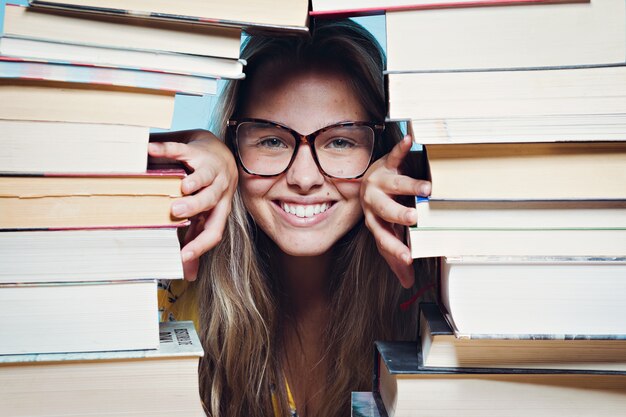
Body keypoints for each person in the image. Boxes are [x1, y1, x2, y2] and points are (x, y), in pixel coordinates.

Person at [150, 18, 433, 417]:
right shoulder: (177, 262)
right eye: (270, 140)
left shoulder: (442, 280)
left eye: (340, 141)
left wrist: (424, 171)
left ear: (381, 152)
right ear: (232, 149)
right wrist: (185, 147)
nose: (303, 178)